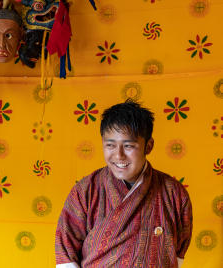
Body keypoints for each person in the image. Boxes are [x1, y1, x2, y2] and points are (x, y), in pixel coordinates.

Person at [55, 100, 193, 268]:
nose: (118, 155)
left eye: (128, 146)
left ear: (148, 146)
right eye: (110, 145)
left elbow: (178, 252)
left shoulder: (174, 194)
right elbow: (65, 254)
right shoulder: (86, 191)